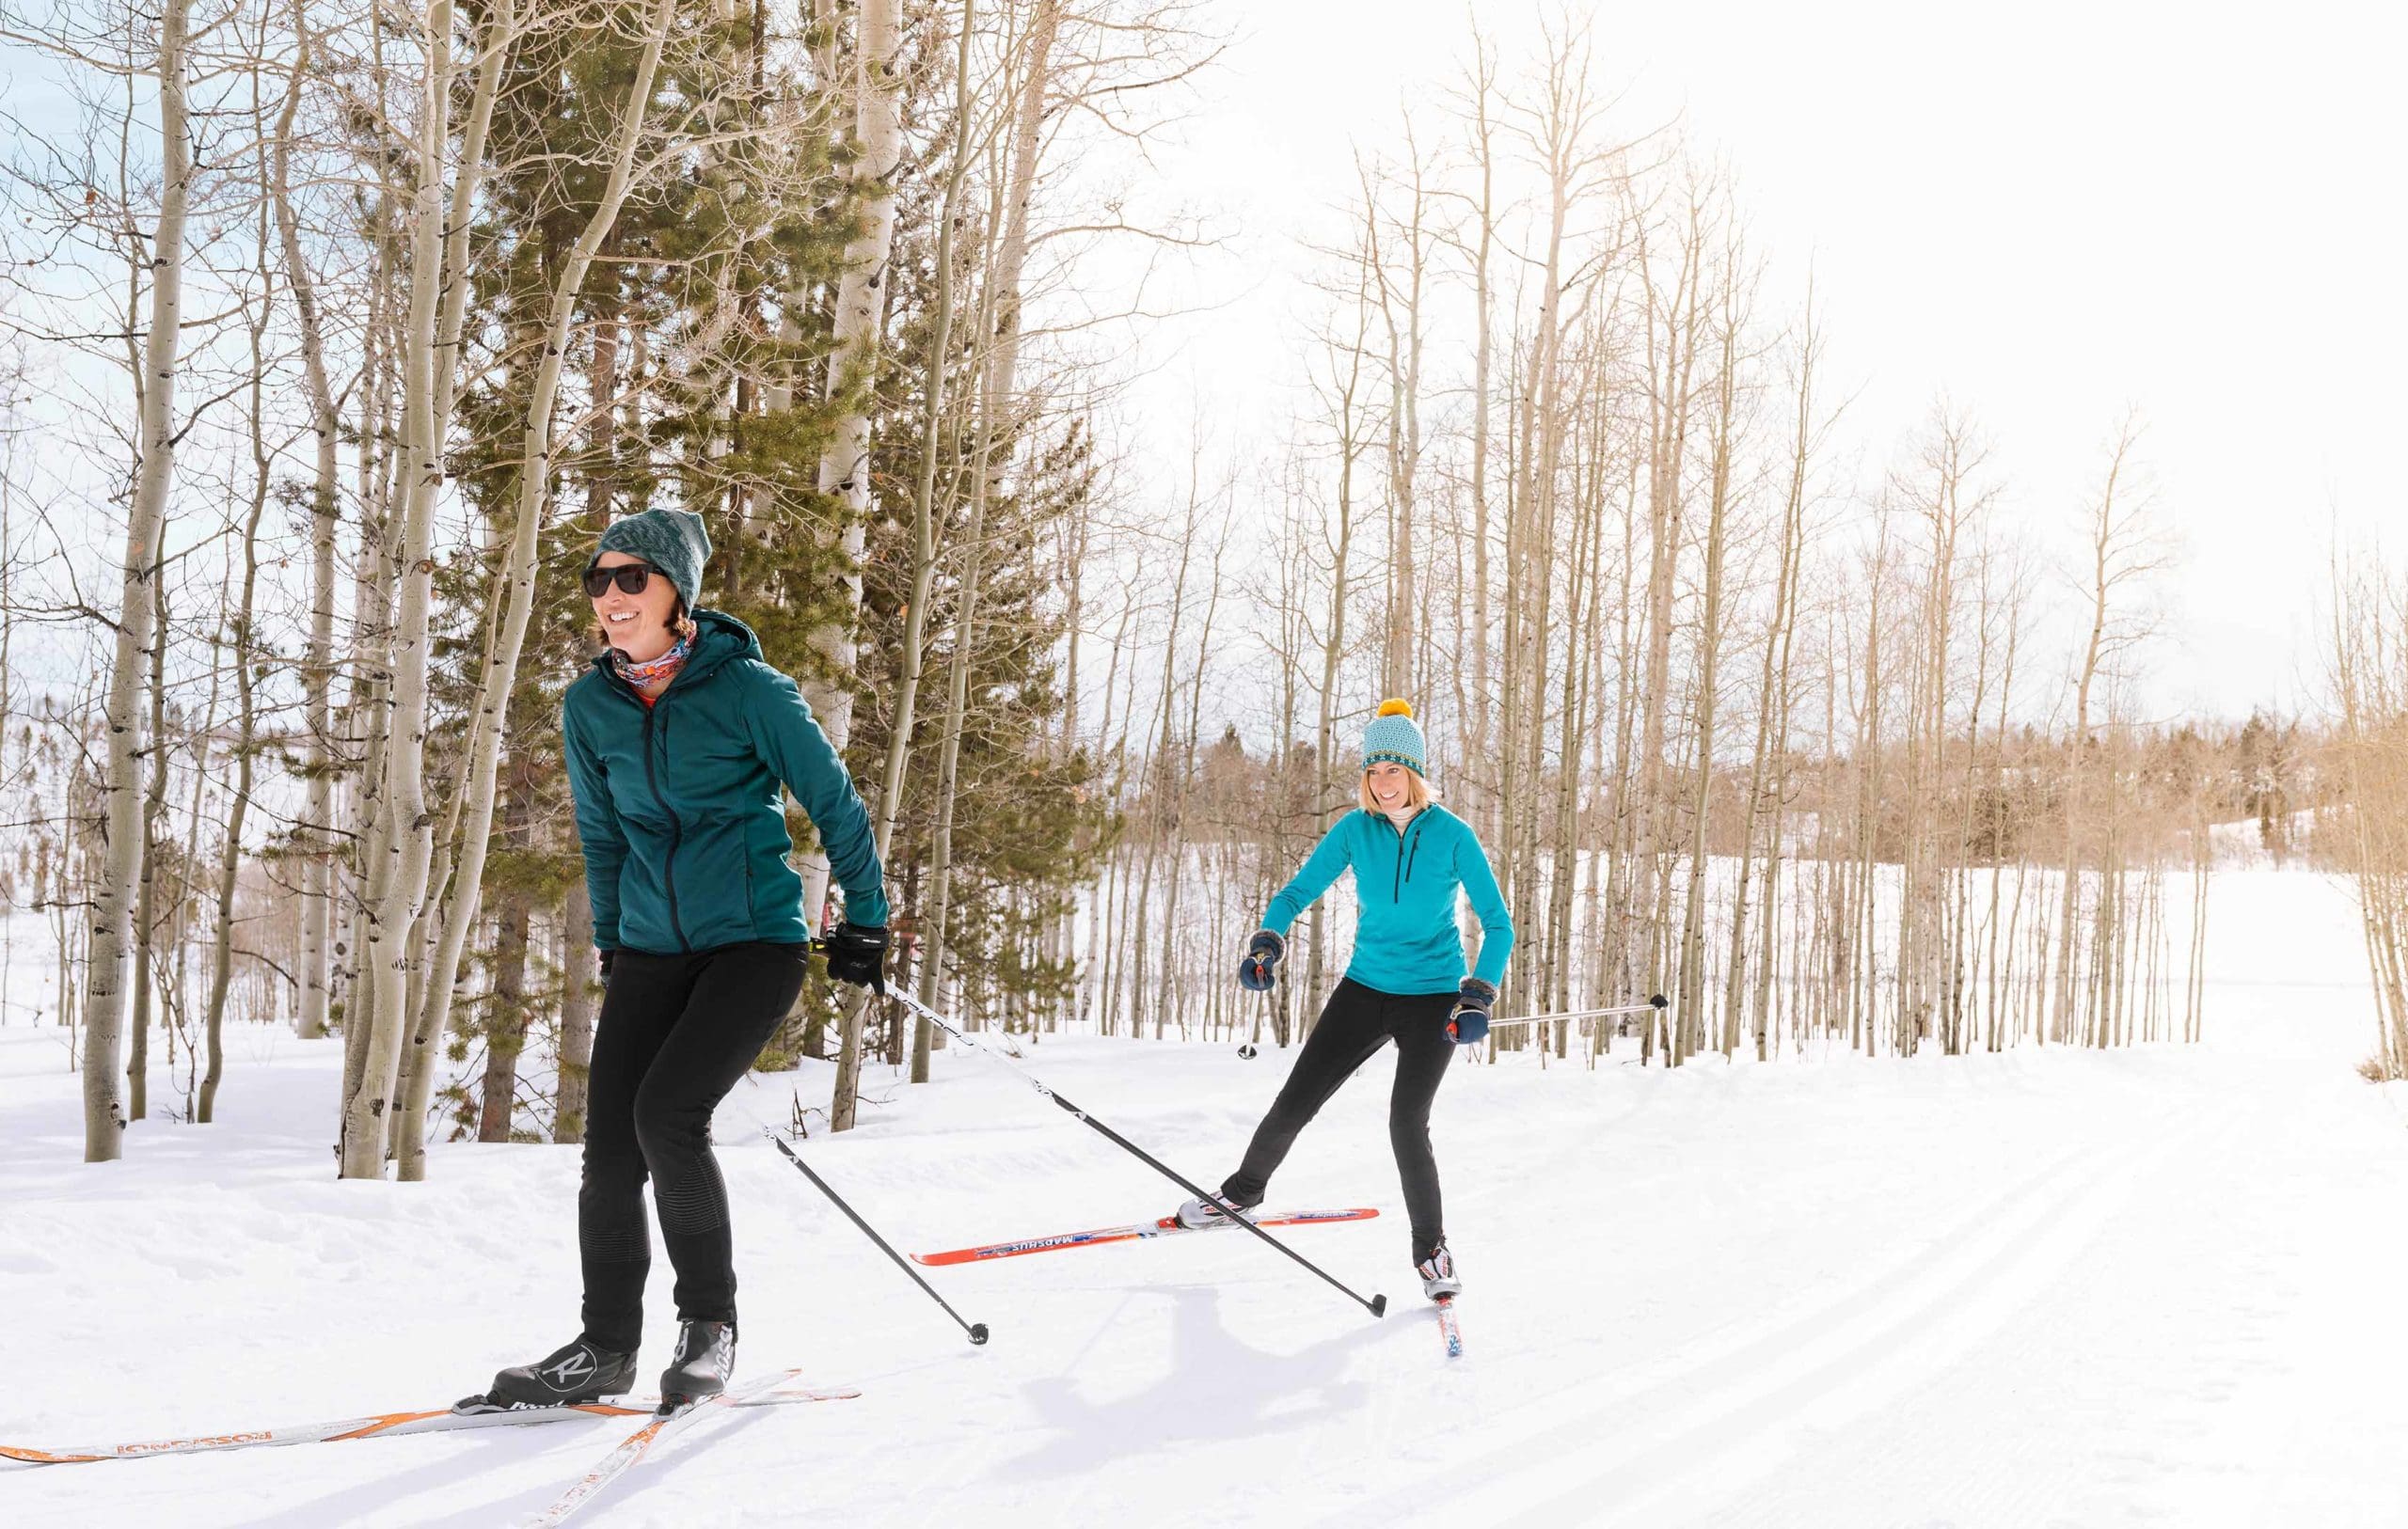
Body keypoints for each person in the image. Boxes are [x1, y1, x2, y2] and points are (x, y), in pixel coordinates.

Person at [479, 507, 890, 1411]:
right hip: (653, 950)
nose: (613, 597)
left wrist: (867, 916)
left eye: (634, 578)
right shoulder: (590, 706)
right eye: (600, 581)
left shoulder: (750, 689)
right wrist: (617, 941)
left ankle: (709, 1328)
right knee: (608, 1151)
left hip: (752, 942)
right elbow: (601, 832)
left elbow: (835, 801)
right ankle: (605, 1348)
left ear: (677, 593)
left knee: (668, 1114)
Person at [1176, 700, 1513, 1300]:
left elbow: (1498, 924)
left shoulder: (1453, 835)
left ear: (1415, 772)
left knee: (1406, 1123)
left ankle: (1432, 1253)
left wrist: (1477, 996)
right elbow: (1299, 889)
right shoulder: (1355, 830)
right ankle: (1243, 1194)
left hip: (1434, 998)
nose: (1382, 784)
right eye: (1372, 771)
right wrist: (1267, 942)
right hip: (1364, 988)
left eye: (1393, 770)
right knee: (1296, 1099)